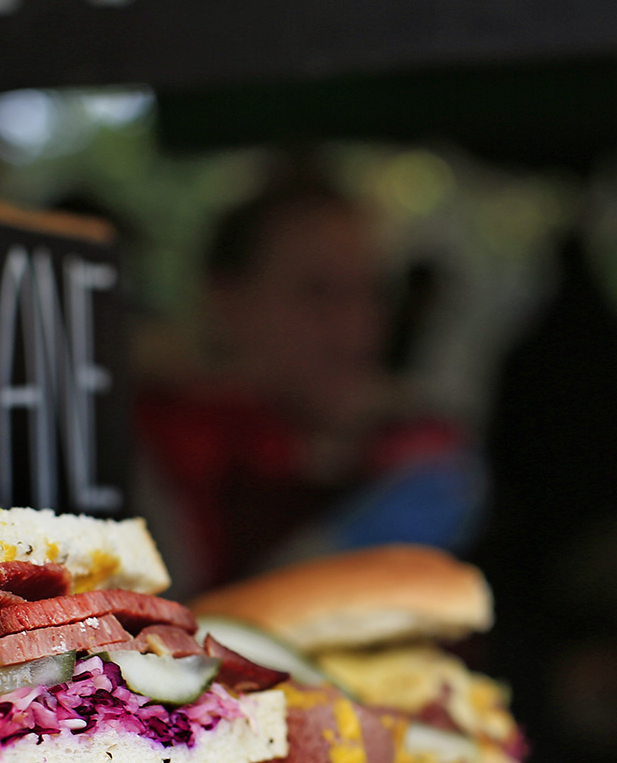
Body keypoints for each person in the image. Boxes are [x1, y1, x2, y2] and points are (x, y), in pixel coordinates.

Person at [136, 162, 482, 594]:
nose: (354, 329)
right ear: (227, 303)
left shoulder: (413, 447)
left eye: (369, 293)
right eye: (315, 293)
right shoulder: (164, 454)